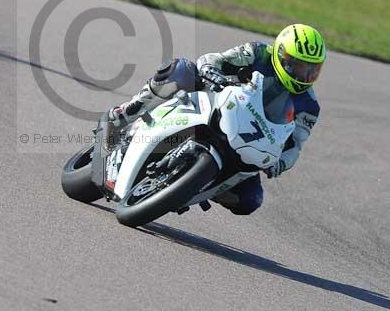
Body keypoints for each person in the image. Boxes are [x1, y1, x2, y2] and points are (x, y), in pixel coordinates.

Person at [107, 24, 325, 215]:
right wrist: (211, 70)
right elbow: (216, 59)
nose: (303, 75)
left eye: (311, 70)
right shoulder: (258, 53)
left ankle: (188, 189)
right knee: (182, 70)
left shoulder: (309, 106)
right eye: (297, 65)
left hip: (248, 143)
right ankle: (128, 111)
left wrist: (281, 164)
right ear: (281, 54)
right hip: (217, 102)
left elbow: (295, 145)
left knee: (251, 199)